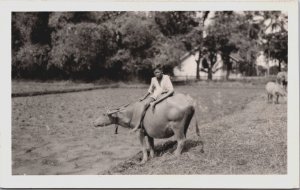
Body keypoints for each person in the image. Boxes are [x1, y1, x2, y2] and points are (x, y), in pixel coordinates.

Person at [131, 65, 174, 132]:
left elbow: (171, 90)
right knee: (145, 104)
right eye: (155, 73)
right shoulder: (153, 79)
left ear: (162, 72)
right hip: (155, 95)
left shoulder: (166, 77)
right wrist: (144, 97)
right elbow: (150, 90)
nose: (157, 74)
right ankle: (139, 124)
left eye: (158, 72)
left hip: (164, 95)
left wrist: (164, 92)